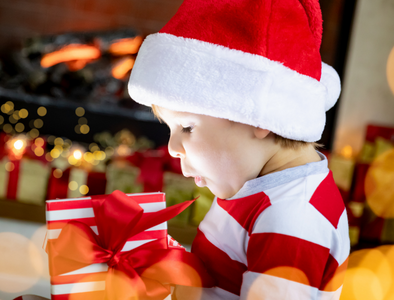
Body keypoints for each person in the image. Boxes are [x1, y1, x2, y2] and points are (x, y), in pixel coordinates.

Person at [127, 0, 350, 299]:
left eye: (187, 127)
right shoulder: (256, 186)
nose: (172, 148)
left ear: (259, 117)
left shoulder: (291, 217)